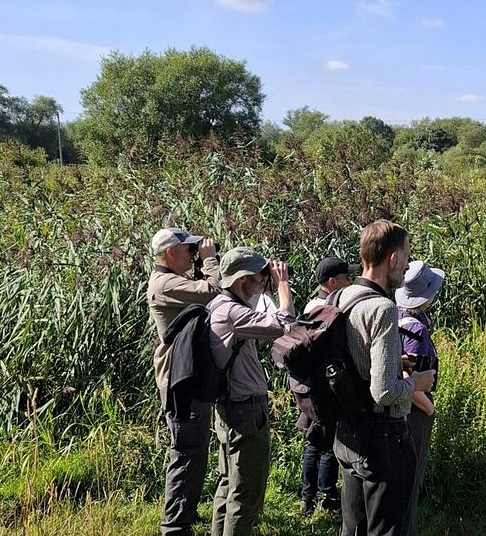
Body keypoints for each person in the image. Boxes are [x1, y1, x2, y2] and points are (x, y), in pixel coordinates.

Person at [334, 221, 436, 536]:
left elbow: (355, 356)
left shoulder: (342, 296)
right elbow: (384, 392)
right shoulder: (383, 308)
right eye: (405, 256)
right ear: (392, 259)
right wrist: (418, 382)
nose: (407, 265)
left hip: (347, 433)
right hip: (382, 438)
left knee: (353, 528)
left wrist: (394, 362)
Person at [208, 247, 312, 536]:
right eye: (261, 276)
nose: (265, 281)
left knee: (228, 487)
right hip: (244, 412)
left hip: (230, 409)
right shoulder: (232, 312)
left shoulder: (218, 304)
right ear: (243, 280)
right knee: (246, 495)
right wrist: (282, 284)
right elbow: (286, 324)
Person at [147, 227, 220, 536]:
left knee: (193, 452)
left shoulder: (175, 280)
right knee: (187, 453)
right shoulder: (165, 283)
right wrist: (210, 259)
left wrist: (201, 263)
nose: (193, 254)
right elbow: (212, 291)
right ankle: (175, 527)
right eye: (189, 250)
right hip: (180, 381)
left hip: (185, 376)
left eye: (195, 250)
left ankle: (183, 517)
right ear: (169, 253)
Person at [295, 257, 353, 516]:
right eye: (345, 278)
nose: (349, 282)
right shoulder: (326, 309)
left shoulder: (311, 305)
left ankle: (307, 498)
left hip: (308, 386)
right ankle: (326, 497)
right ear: (332, 282)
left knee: (314, 441)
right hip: (323, 387)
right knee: (328, 443)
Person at [394, 260, 446, 536]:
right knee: (412, 475)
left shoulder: (398, 315)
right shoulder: (415, 329)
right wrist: (428, 408)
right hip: (415, 407)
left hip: (403, 405)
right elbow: (407, 375)